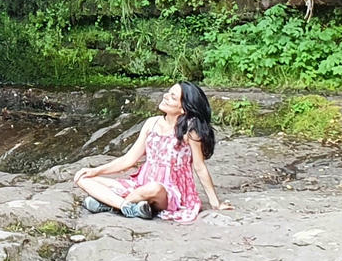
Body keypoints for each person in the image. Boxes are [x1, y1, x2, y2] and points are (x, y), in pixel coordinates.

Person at [72, 81, 232, 222]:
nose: (165, 96)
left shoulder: (190, 131)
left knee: (153, 188)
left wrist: (215, 202)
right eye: (168, 93)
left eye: (173, 97)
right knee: (82, 178)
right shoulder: (152, 123)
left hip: (169, 192)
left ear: (183, 108)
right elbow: (129, 159)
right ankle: (126, 207)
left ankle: (110, 205)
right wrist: (94, 171)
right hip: (140, 184)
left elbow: (199, 167)